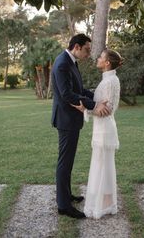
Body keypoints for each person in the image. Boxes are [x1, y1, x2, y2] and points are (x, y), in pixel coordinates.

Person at [51, 34, 110, 219]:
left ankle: (66, 196)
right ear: (76, 47)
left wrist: (97, 97)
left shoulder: (71, 62)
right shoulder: (62, 64)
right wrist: (94, 106)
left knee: (68, 162)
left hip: (71, 119)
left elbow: (79, 90)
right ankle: (63, 206)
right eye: (86, 49)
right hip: (66, 120)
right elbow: (67, 94)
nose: (88, 54)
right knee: (64, 162)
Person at [73, 49, 123, 219]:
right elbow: (100, 102)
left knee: (102, 167)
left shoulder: (110, 82)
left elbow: (107, 110)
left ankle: (102, 204)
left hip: (104, 130)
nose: (98, 58)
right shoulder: (109, 80)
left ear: (107, 62)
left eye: (101, 57)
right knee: (103, 166)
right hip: (102, 129)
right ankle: (105, 202)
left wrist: (85, 109)